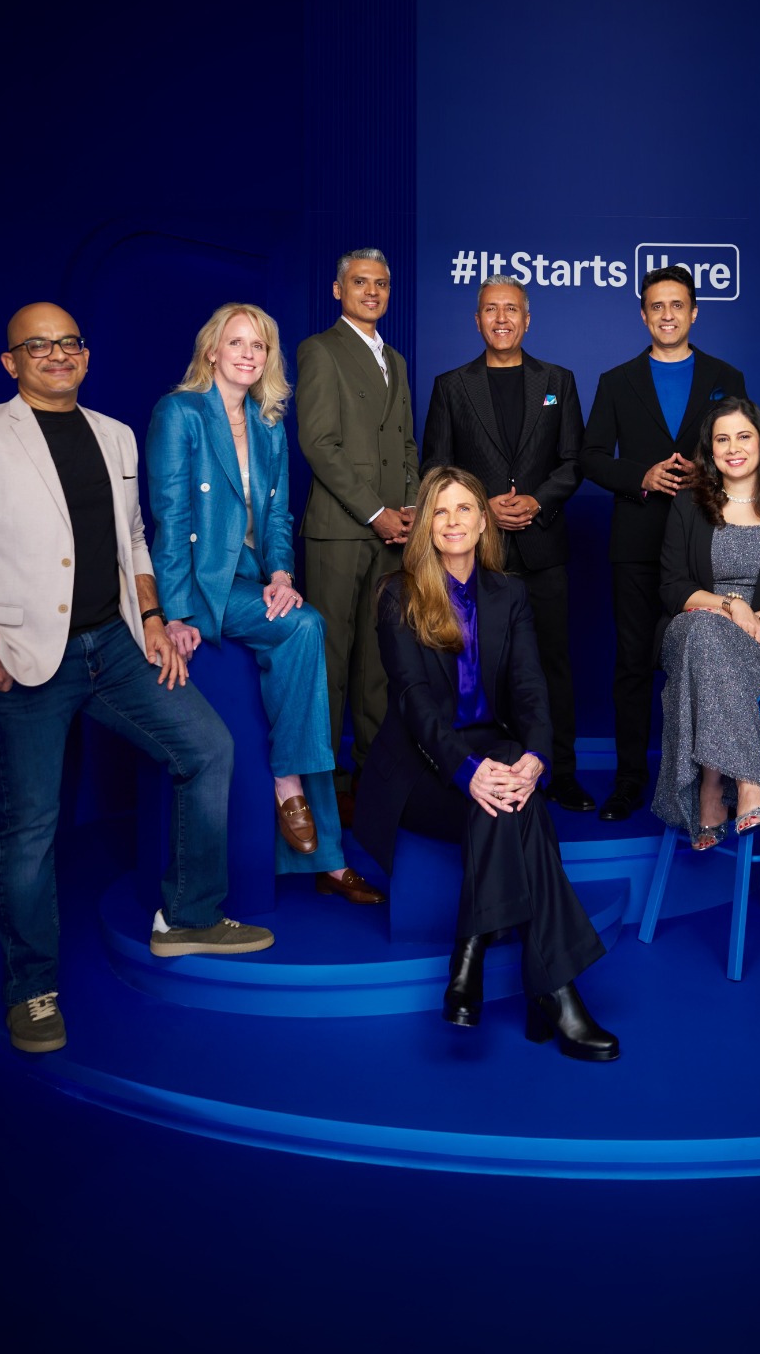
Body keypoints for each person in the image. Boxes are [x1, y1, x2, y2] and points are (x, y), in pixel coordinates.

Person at [0, 303, 272, 1055]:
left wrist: (154, 617)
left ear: (86, 355)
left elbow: (132, 536)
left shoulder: (115, 434)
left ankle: (189, 916)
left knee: (208, 748)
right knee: (30, 830)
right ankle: (31, 988)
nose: (57, 354)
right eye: (37, 345)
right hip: (22, 661)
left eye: (69, 342)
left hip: (116, 647)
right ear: (11, 362)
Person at [354, 468, 618, 1062]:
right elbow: (414, 703)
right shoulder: (398, 593)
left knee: (513, 788)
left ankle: (471, 961)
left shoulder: (509, 594)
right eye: (440, 510)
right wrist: (466, 770)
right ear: (425, 524)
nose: (452, 521)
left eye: (464, 509)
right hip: (420, 769)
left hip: (491, 754)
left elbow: (530, 688)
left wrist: (536, 758)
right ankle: (551, 990)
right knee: (516, 805)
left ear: (482, 522)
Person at [145, 302, 386, 907]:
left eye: (260, 345)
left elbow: (278, 514)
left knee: (305, 628)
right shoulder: (180, 413)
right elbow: (169, 518)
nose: (249, 354)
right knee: (306, 636)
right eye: (237, 343)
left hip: (251, 580)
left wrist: (281, 573)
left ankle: (305, 814)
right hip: (203, 585)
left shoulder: (268, 423)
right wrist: (174, 613)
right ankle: (298, 802)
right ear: (212, 351)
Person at [421, 274, 594, 812]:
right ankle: (487, 767)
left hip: (543, 547)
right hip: (476, 552)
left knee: (551, 663)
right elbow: (435, 465)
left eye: (511, 309)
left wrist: (537, 501)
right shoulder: (452, 386)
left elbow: (574, 461)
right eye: (491, 310)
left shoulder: (557, 380)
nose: (502, 319)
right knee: (480, 664)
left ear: (527, 319)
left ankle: (559, 772)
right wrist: (482, 505)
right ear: (477, 320)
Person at [581, 265, 749, 820]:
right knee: (633, 663)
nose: (668, 314)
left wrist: (710, 472)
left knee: (705, 663)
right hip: (635, 543)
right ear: (643, 314)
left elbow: (746, 447)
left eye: (678, 305)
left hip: (706, 544)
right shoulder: (616, 380)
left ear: (694, 312)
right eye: (657, 306)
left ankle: (709, 782)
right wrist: (642, 477)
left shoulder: (726, 375)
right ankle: (630, 779)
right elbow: (591, 458)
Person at [655, 399, 760, 849]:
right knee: (704, 632)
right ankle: (749, 784)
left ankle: (712, 788)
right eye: (722, 439)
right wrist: (731, 606)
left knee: (712, 642)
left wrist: (750, 620)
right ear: (710, 450)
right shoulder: (688, 506)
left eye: (743, 437)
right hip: (692, 629)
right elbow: (672, 587)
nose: (733, 448)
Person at [295, 249, 421, 810]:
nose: (373, 291)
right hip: (342, 531)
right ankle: (322, 790)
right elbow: (319, 444)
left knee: (377, 664)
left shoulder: (395, 358)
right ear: (338, 289)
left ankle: (372, 784)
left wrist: (411, 508)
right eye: (361, 282)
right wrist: (376, 512)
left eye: (382, 283)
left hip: (394, 532)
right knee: (330, 664)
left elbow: (408, 444)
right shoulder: (320, 350)